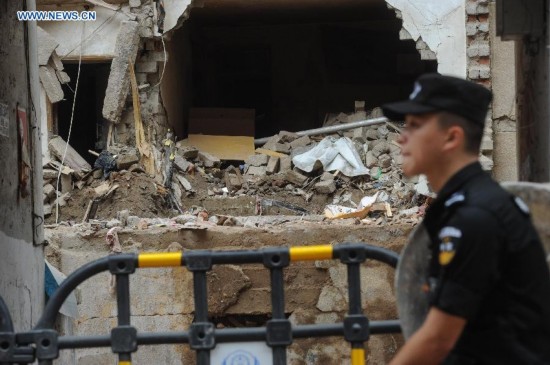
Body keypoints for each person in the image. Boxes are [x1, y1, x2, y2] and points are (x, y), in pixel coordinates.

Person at [382, 73, 550, 365]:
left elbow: (437, 339)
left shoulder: (475, 217)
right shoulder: (467, 204)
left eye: (415, 126)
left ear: (452, 137)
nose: (401, 138)